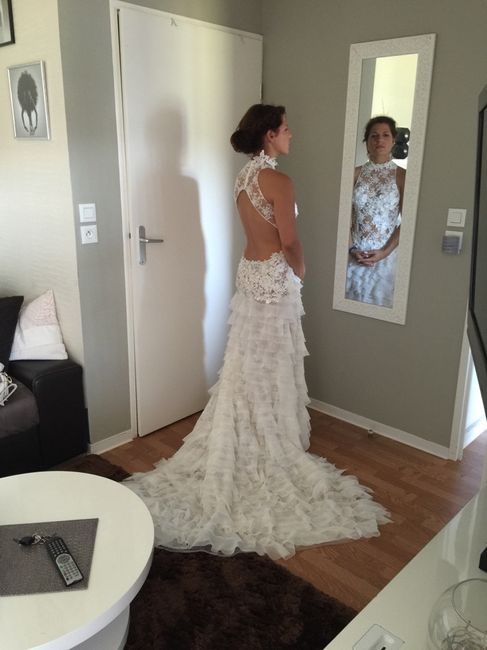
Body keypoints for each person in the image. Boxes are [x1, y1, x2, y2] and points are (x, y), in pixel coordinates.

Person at [124, 104, 390, 559]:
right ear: (269, 135)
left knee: (247, 364)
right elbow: (289, 240)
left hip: (249, 275)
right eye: (286, 129)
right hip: (274, 277)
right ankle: (269, 438)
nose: (291, 135)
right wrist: (301, 270)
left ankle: (250, 429)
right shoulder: (278, 181)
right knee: (272, 363)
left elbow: (257, 231)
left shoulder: (244, 177)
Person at [346, 115, 406, 308]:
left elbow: (408, 222)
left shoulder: (402, 176)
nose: (380, 140)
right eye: (374, 135)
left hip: (385, 255)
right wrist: (351, 249)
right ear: (367, 141)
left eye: (385, 135)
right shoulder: (353, 174)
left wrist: (384, 252)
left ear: (393, 140)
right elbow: (343, 217)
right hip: (353, 253)